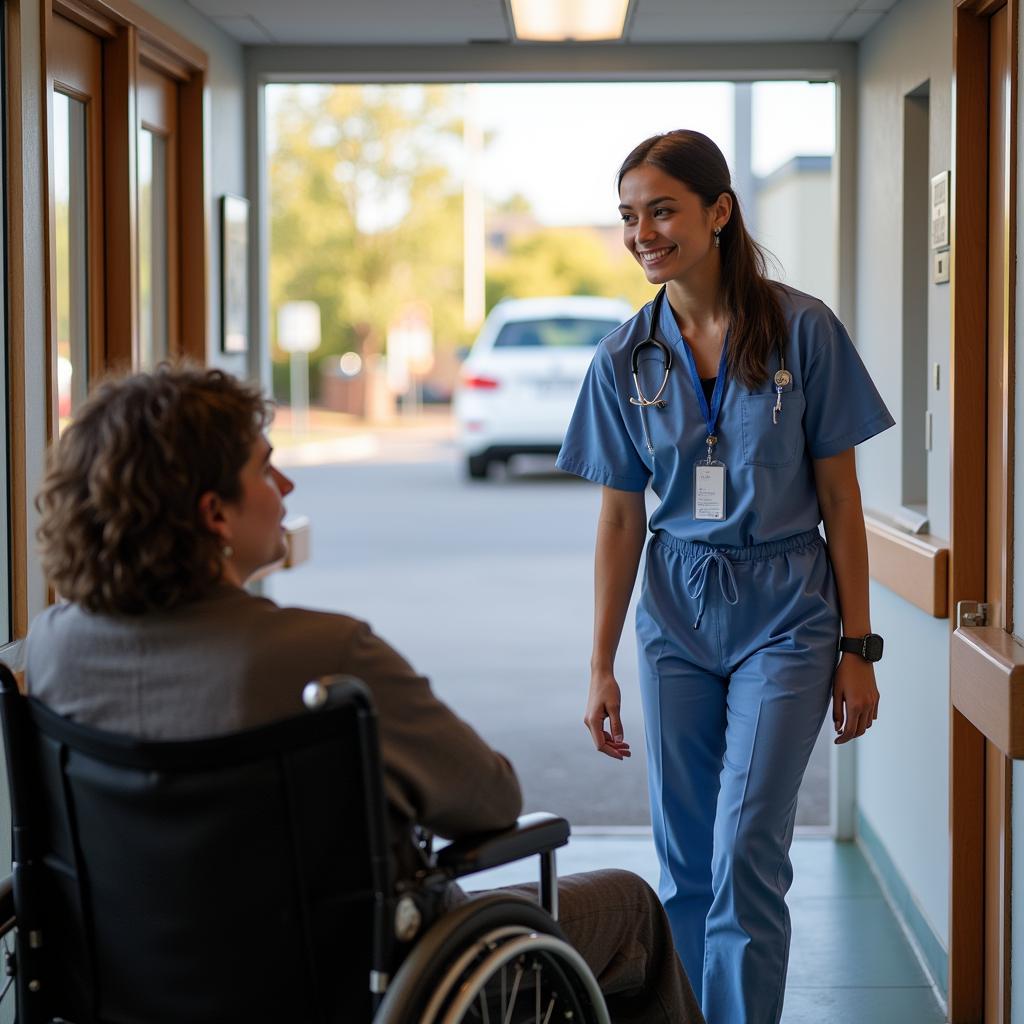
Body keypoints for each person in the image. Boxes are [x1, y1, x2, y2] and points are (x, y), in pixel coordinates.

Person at [24, 364, 702, 1024]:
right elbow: (490, 800)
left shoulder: (54, 649)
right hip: (351, 983)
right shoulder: (325, 658)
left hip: (129, 976)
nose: (285, 484)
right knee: (632, 911)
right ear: (214, 515)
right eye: (264, 468)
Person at [555, 130, 894, 1024]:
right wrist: (599, 666)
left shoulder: (803, 329)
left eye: (661, 210)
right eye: (629, 216)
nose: (642, 233)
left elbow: (842, 501)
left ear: (718, 211)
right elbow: (622, 517)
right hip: (675, 606)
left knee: (747, 845)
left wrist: (858, 647)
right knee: (687, 859)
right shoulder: (626, 356)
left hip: (788, 607)